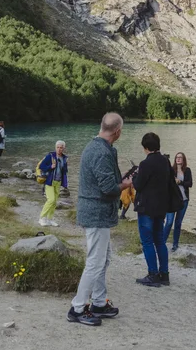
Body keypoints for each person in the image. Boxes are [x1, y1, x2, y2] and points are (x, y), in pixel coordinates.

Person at [67, 112, 133, 327]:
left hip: (98, 213)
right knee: (95, 262)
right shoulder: (101, 152)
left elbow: (106, 180)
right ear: (118, 131)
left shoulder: (100, 148)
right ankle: (77, 308)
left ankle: (98, 303)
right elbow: (108, 189)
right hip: (96, 214)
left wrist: (120, 179)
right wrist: (125, 185)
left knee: (103, 259)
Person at [132, 132, 173, 287]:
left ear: (146, 147)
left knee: (147, 241)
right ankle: (164, 274)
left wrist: (135, 176)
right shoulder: (165, 161)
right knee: (160, 241)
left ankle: (153, 274)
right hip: (161, 207)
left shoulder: (145, 164)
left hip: (146, 207)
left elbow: (138, 185)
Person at [163, 152, 193, 252]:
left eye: (180, 157)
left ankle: (175, 244)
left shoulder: (187, 170)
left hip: (183, 200)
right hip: (172, 200)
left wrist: (180, 182)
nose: (178, 159)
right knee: (169, 222)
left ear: (183, 160)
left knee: (178, 222)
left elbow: (190, 183)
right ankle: (162, 242)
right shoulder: (171, 170)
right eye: (177, 157)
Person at [38, 141, 69, 227]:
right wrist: (50, 167)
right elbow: (41, 166)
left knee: (54, 202)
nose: (59, 149)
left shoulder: (64, 158)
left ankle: (49, 219)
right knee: (51, 200)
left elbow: (64, 171)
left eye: (61, 147)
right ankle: (42, 218)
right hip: (49, 182)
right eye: (57, 147)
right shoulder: (50, 156)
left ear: (64, 148)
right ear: (55, 148)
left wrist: (65, 182)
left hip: (58, 182)